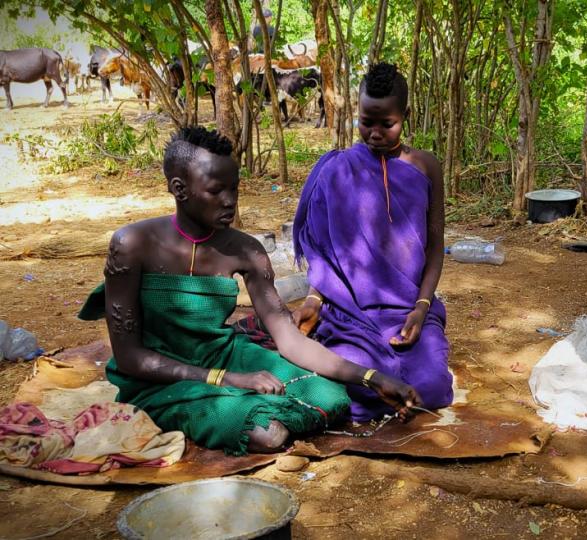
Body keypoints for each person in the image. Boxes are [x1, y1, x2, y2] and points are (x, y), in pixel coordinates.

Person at [78, 126, 421, 456]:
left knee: (330, 398)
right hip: (157, 378)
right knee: (265, 432)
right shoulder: (131, 245)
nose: (230, 201)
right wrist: (230, 380)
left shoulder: (246, 251)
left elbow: (290, 340)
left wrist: (371, 377)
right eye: (216, 191)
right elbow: (129, 357)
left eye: (234, 189)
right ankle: (225, 407)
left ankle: (245, 403)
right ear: (179, 189)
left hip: (225, 355)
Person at [291, 62, 454, 421]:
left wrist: (422, 307)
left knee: (433, 388)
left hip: (409, 310)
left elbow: (434, 245)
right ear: (357, 112)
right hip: (351, 314)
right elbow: (324, 250)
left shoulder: (426, 165)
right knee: (360, 386)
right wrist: (315, 299)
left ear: (406, 116)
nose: (375, 133)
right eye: (367, 122)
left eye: (387, 124)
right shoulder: (335, 169)